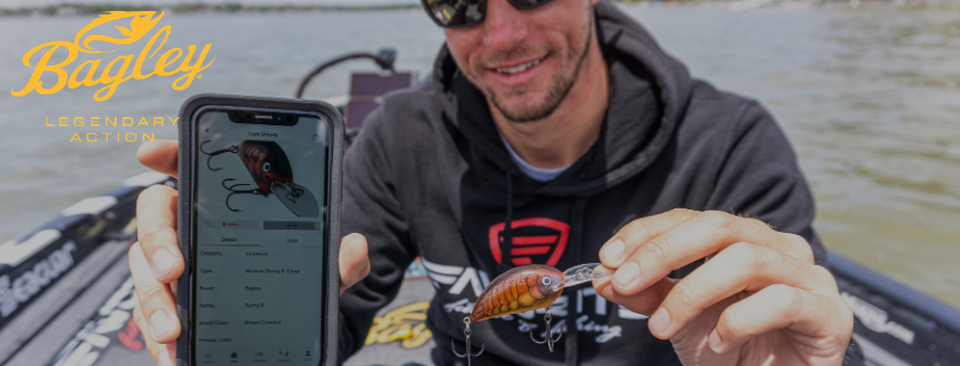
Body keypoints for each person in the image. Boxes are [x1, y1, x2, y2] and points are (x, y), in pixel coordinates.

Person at [130, 0, 860, 364]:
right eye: (460, 3)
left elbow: (803, 337)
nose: (502, 34)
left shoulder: (731, 145)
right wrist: (231, 312)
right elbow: (331, 316)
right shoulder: (398, 137)